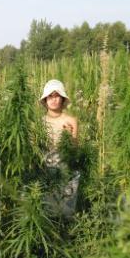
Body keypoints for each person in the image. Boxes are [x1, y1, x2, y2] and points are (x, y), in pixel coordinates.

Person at [39, 79, 81, 218]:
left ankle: (66, 226)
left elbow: (75, 149)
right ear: (45, 100)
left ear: (62, 99)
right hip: (46, 168)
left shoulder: (71, 121)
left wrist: (68, 137)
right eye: (50, 96)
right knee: (47, 210)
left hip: (66, 167)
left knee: (65, 211)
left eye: (57, 96)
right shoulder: (40, 122)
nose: (53, 99)